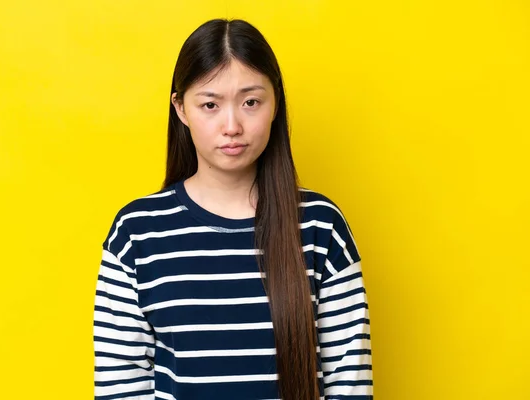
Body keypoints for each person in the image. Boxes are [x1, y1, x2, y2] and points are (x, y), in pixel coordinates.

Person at [93, 18, 373, 400]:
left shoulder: (322, 228)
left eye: (251, 102)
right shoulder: (137, 233)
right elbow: (120, 386)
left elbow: (350, 384)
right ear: (181, 108)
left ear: (276, 104)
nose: (232, 126)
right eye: (210, 104)